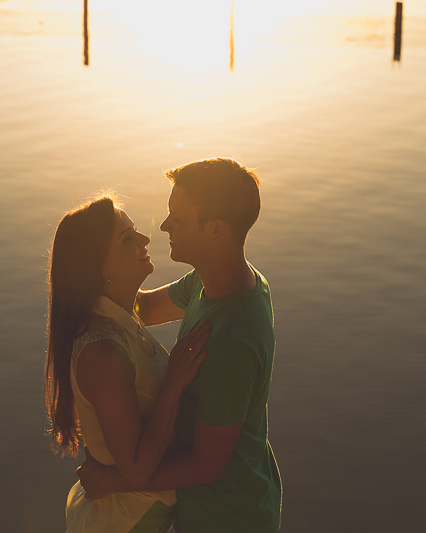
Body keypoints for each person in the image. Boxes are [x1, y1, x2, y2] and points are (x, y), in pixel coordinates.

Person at [77, 158, 282, 532]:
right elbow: (145, 307)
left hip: (228, 515)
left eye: (177, 219)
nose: (163, 226)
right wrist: (91, 277)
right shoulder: (214, 282)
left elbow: (206, 465)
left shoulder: (231, 341)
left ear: (216, 230)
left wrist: (110, 481)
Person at [45, 195, 212, 533]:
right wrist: (174, 384)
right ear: (99, 270)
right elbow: (137, 470)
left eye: (135, 231)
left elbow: (204, 285)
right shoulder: (103, 353)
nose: (145, 239)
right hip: (124, 522)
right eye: (127, 239)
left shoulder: (125, 312)